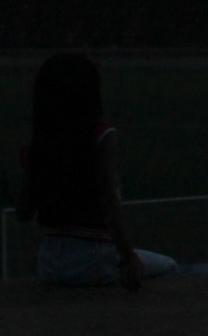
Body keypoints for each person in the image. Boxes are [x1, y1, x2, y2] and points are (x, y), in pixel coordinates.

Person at [15, 52, 177, 289]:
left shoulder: (37, 147)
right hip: (93, 258)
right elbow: (109, 204)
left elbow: (23, 213)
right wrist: (128, 256)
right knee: (170, 267)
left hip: (49, 263)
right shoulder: (100, 137)